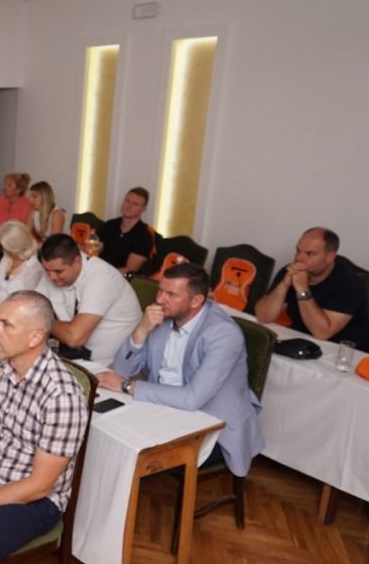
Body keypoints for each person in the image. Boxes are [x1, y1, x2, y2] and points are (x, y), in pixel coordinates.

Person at [0, 291, 88, 564]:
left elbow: (39, 485)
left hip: (32, 500)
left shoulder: (62, 397)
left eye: (6, 324)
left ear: (35, 337)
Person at [97, 264, 264, 476]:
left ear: (196, 301)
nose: (160, 299)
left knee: (125, 446)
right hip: (164, 406)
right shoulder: (162, 316)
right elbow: (122, 369)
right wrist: (141, 330)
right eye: (160, 290)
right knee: (105, 428)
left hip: (212, 426)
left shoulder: (224, 334)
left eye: (171, 295)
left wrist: (128, 386)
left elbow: (192, 399)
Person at [254, 227, 369, 351]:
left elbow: (322, 333)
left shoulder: (350, 283)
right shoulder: (290, 271)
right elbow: (263, 316)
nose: (299, 258)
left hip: (344, 353)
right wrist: (283, 285)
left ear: (330, 257)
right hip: (302, 343)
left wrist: (302, 289)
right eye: (298, 251)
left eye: (310, 254)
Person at [36, 234, 142, 364]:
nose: (51, 277)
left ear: (77, 262)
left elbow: (75, 337)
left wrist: (42, 321)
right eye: (47, 270)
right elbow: (29, 307)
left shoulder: (101, 277)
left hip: (110, 364)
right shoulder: (53, 270)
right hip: (73, 357)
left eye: (59, 272)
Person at [0, 221, 44, 320]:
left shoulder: (34, 270)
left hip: (14, 319)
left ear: (16, 248)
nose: (2, 250)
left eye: (5, 248)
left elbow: (27, 307)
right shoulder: (6, 258)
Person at [97, 187, 154, 275]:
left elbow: (129, 269)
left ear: (143, 209)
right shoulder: (109, 225)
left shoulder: (143, 236)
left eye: (135, 204)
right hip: (98, 270)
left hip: (119, 278)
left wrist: (103, 275)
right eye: (127, 201)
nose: (128, 206)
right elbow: (95, 251)